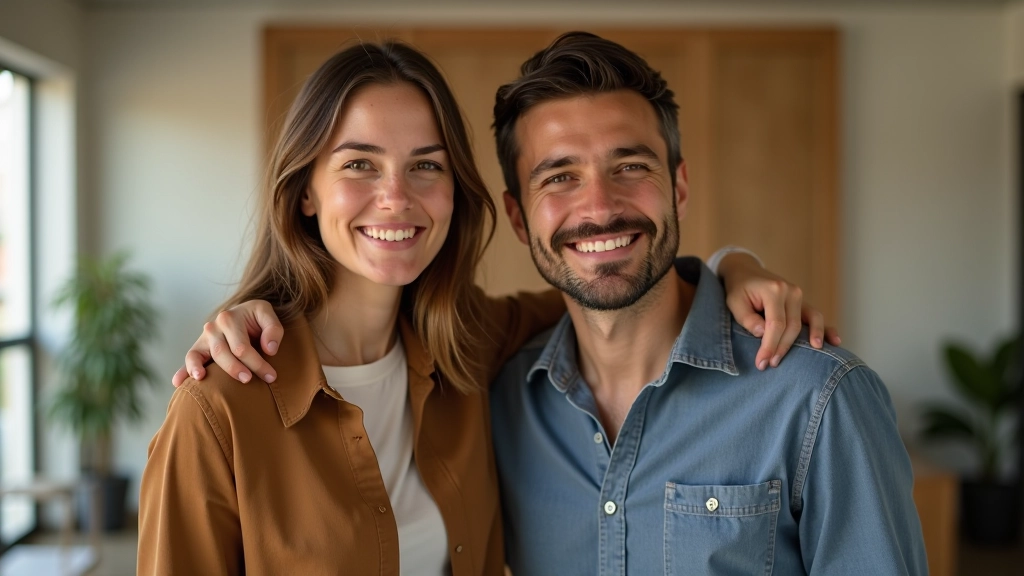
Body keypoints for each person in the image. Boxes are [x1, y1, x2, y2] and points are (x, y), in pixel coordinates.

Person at [155, 41, 840, 576]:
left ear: (457, 190)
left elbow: (610, 286)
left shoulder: (471, 347)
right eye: (360, 164)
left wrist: (731, 268)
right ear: (305, 190)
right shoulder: (219, 410)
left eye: (426, 165)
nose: (396, 197)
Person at [485, 32, 927, 575]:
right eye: (560, 177)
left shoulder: (819, 398)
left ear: (680, 187)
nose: (600, 207)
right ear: (516, 217)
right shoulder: (503, 403)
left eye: (630, 167)